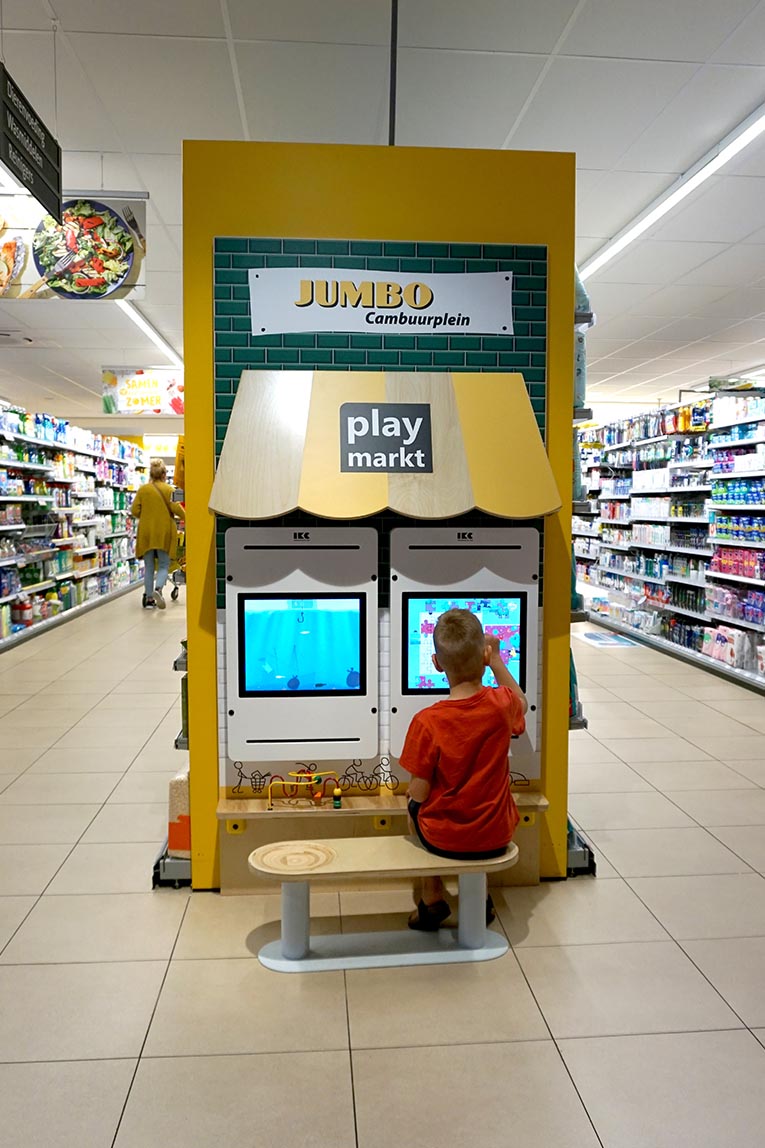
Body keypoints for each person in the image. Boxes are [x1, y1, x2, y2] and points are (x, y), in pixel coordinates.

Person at [399, 607, 528, 931]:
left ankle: (432, 898)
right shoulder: (502, 705)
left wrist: (411, 801)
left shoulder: (427, 722)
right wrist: (496, 659)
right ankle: (478, 896)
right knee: (482, 800)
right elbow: (521, 702)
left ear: (437, 664)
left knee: (414, 807)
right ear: (482, 658)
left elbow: (420, 790)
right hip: (497, 833)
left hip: (444, 838)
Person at [129, 460, 185, 610]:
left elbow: (134, 510)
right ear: (164, 474)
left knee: (148, 566)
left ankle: (148, 598)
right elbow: (176, 508)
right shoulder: (169, 490)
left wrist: (147, 514)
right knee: (163, 564)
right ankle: (158, 589)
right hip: (164, 531)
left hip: (146, 532)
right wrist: (189, 517)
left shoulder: (143, 490)